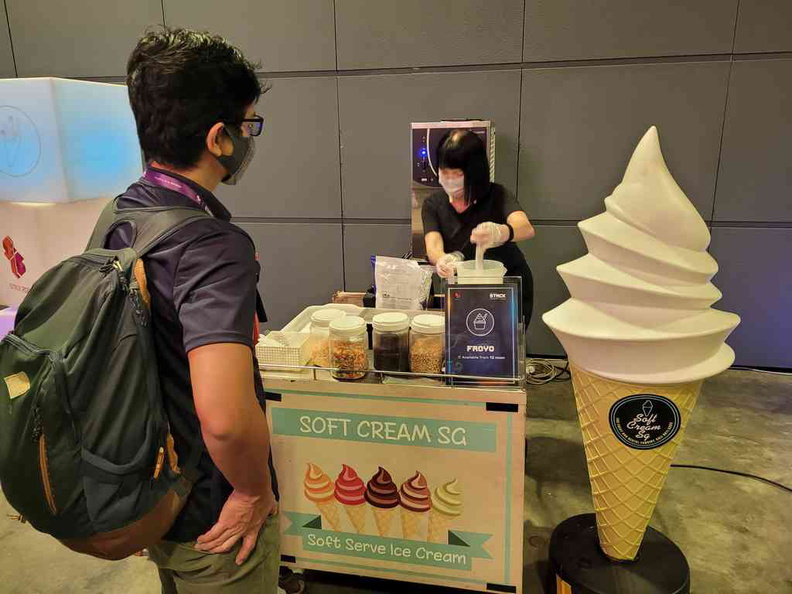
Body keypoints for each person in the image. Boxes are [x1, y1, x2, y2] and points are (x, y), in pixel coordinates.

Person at [111, 29, 280, 593]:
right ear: (219, 138)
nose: (248, 137)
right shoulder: (209, 246)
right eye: (247, 125)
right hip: (217, 520)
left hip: (152, 493)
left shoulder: (119, 216)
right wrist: (254, 491)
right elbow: (226, 418)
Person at [422, 129, 536, 327]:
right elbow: (433, 245)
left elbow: (525, 227)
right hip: (465, 290)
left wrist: (500, 232)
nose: (449, 179)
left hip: (506, 288)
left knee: (505, 347)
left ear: (474, 172)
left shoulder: (497, 194)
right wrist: (442, 260)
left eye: (456, 173)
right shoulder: (433, 204)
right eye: (444, 172)